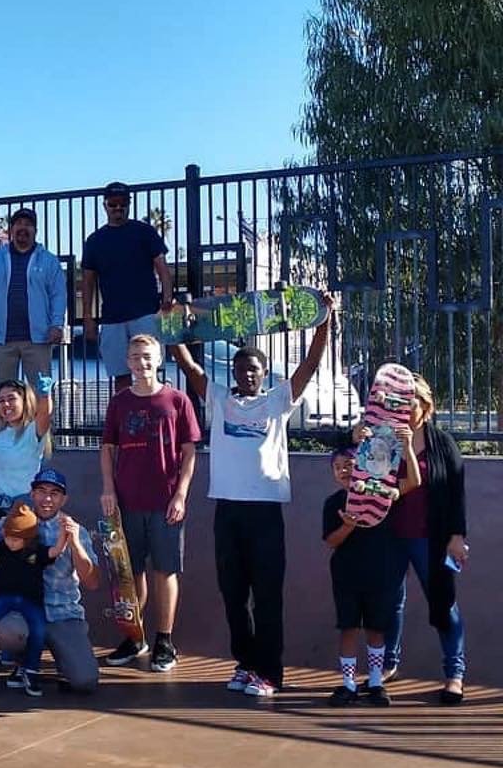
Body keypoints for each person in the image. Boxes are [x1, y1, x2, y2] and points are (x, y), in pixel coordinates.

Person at [169, 298, 335, 697]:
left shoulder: (277, 400)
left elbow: (310, 364)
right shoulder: (219, 398)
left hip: (264, 512)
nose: (246, 374)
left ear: (263, 374)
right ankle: (246, 663)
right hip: (227, 510)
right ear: (234, 372)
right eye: (241, 369)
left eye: (253, 369)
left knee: (267, 595)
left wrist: (324, 323)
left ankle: (270, 673)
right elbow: (188, 365)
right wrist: (173, 325)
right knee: (233, 593)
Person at [99, 333, 200, 672]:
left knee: (165, 569)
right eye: (135, 356)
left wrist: (181, 494)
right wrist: (108, 489)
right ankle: (134, 636)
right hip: (127, 502)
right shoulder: (119, 402)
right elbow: (107, 448)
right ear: (127, 361)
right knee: (130, 573)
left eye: (147, 356)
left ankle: (164, 640)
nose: (141, 362)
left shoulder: (177, 400)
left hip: (165, 502)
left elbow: (189, 452)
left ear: (159, 360)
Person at [0, 468, 101, 695]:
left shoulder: (73, 529)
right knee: (8, 629)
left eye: (54, 493)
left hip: (61, 615)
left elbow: (92, 582)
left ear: (64, 499)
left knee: (85, 681)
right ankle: (22, 663)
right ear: (32, 493)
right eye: (41, 491)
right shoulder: (14, 522)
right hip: (23, 611)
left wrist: (76, 545)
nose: (47, 498)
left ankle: (64, 661)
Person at [380, 374, 470, 702]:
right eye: (400, 401)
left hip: (430, 538)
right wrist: (355, 434)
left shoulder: (442, 443)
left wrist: (457, 536)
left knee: (443, 602)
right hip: (391, 534)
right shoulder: (386, 438)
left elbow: (456, 493)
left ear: (425, 405)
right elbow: (360, 465)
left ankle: (454, 674)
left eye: (412, 401)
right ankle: (388, 665)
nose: (405, 407)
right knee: (389, 602)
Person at [322, 442, 417, 708]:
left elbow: (412, 483)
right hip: (347, 576)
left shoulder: (382, 497)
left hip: (381, 573)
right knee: (349, 627)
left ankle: (376, 681)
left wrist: (407, 444)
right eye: (337, 467)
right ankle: (348, 684)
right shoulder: (334, 503)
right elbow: (331, 541)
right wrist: (348, 526)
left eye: (349, 465)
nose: (343, 471)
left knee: (376, 629)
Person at [81, 181, 175, 390]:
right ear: (105, 205)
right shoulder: (95, 240)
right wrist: (88, 317)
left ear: (129, 205)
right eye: (113, 204)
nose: (118, 208)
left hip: (146, 314)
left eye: (123, 203)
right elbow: (87, 282)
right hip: (112, 318)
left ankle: (152, 410)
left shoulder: (144, 232)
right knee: (120, 376)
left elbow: (163, 268)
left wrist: (167, 299)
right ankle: (125, 411)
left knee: (150, 372)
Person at [0, 207, 67, 391]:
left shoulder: (49, 261)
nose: (23, 227)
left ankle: (42, 413)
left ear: (35, 230)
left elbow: (59, 295)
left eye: (28, 224)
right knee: (4, 395)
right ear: (11, 229)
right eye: (19, 223)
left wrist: (57, 324)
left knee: (42, 394)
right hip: (1, 340)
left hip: (38, 339)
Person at [0, 497, 55, 693]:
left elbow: (55, 551)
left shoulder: (35, 553)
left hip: (31, 602)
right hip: (7, 599)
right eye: (7, 537)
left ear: (27, 539)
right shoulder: (3, 549)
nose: (10, 542)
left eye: (15, 539)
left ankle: (31, 669)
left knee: (38, 629)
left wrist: (67, 535)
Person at [0, 378, 54, 509]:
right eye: (1, 400)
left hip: (22, 507)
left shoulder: (33, 430)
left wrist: (45, 396)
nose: (6, 404)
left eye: (11, 399)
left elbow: (45, 414)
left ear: (25, 401)